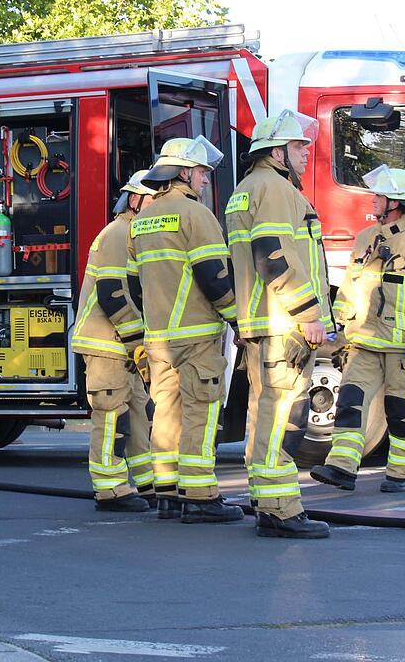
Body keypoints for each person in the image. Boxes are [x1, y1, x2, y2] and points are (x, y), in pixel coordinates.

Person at [224, 109, 333, 539]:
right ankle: (281, 511)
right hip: (283, 323)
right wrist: (308, 313)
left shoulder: (245, 190)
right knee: (285, 417)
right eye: (299, 146)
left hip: (260, 324)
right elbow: (274, 254)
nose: (307, 153)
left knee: (262, 415)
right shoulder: (274, 188)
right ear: (276, 151)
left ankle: (265, 499)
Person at [126, 136, 243, 523]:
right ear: (185, 173)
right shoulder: (196, 215)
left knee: (165, 412)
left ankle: (167, 492)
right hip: (195, 333)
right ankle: (200, 495)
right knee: (201, 412)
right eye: (203, 173)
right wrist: (236, 319)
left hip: (158, 337)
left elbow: (134, 283)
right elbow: (214, 275)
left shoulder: (141, 220)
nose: (206, 180)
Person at [311, 165, 405, 493]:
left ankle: (400, 473)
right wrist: (336, 323)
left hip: (400, 349)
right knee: (350, 403)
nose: (373, 201)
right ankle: (341, 468)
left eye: (379, 196)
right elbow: (351, 286)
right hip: (364, 343)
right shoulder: (366, 239)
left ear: (395, 202)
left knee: (399, 413)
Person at [72, 170, 158, 511]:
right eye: (151, 200)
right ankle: (110, 490)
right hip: (106, 343)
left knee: (138, 413)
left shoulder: (136, 234)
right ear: (134, 200)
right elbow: (112, 295)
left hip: (124, 343)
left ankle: (149, 482)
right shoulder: (118, 233)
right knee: (111, 416)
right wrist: (137, 338)